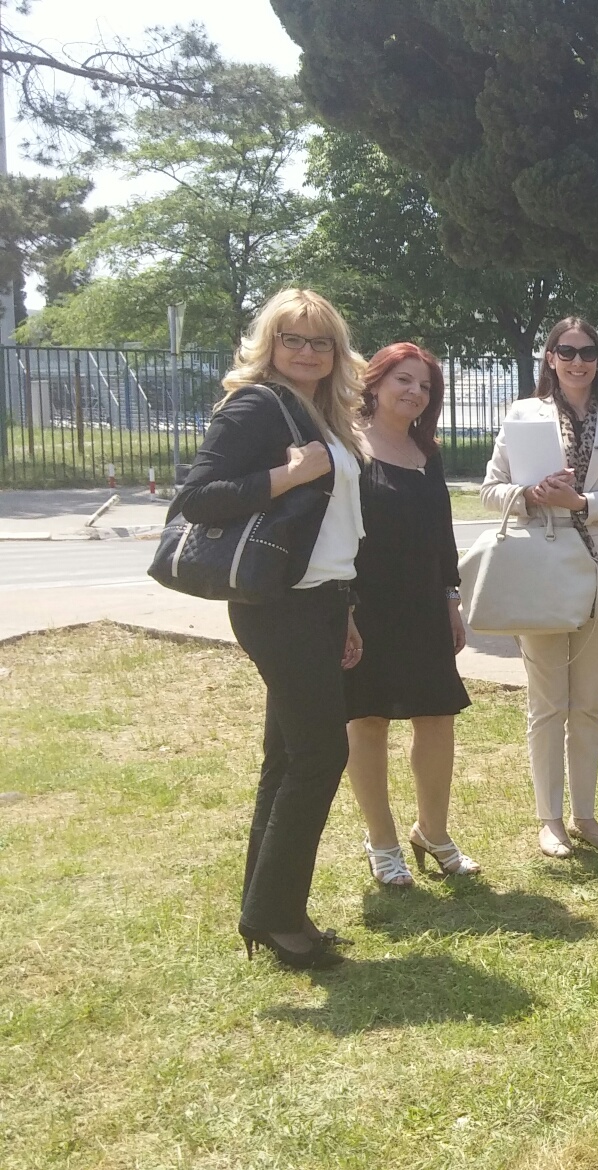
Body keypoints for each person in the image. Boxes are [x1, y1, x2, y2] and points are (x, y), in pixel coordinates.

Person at [173, 287, 367, 970]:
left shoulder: (324, 411)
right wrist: (284, 476)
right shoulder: (256, 404)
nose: (308, 352)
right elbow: (197, 496)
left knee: (288, 758)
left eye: (321, 342)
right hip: (279, 607)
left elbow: (335, 527)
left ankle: (272, 911)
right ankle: (276, 917)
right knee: (320, 755)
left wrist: (345, 611)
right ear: (270, 344)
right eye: (294, 339)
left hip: (320, 599)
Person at [481, 317, 598, 859]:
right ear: (550, 357)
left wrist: (583, 504)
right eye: (567, 351)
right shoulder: (522, 414)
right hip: (543, 566)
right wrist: (532, 495)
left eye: (588, 352)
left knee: (588, 701)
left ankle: (585, 814)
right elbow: (491, 490)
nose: (578, 361)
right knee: (547, 700)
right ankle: (549, 819)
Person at [344, 342, 477, 887]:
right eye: (404, 380)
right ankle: (382, 841)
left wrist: (451, 599)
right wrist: (344, 611)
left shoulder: (428, 451)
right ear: (375, 382)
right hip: (365, 606)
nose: (415, 392)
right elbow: (335, 536)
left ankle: (434, 832)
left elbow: (442, 536)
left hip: (424, 605)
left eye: (424, 385)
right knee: (368, 720)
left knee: (436, 717)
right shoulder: (346, 446)